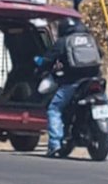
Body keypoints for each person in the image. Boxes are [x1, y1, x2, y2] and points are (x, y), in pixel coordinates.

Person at [38, 16, 101, 158]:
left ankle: (54, 145)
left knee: (54, 109)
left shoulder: (63, 41)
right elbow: (101, 54)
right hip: (95, 79)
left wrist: (40, 69)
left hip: (73, 81)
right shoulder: (90, 39)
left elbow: (48, 59)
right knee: (106, 105)